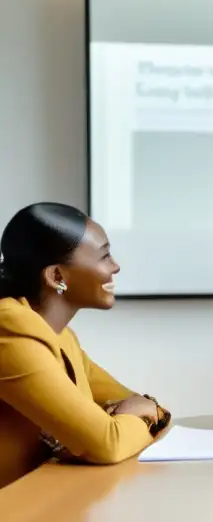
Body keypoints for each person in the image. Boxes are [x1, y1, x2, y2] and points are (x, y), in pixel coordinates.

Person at [0, 203, 170, 489]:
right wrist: (140, 416)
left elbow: (146, 408)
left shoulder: (62, 337)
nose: (115, 266)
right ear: (57, 277)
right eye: (104, 256)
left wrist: (142, 412)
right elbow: (108, 443)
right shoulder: (11, 332)